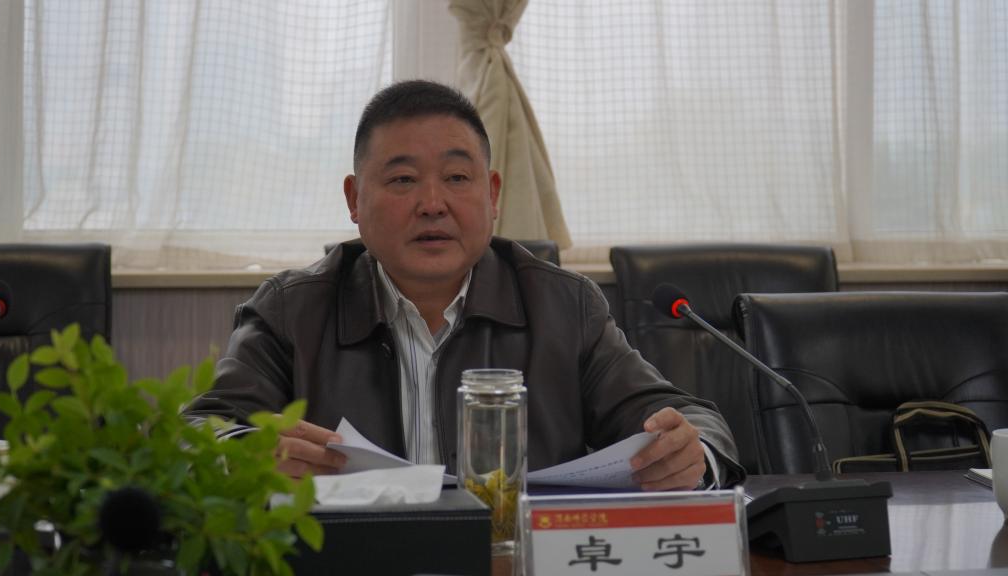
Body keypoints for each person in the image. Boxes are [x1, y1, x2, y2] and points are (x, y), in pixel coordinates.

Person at [187, 80, 745, 490]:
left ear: (493, 194)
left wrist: (691, 455)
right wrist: (247, 456)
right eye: (403, 179)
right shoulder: (291, 311)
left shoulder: (564, 306)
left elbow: (686, 419)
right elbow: (198, 433)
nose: (433, 203)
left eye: (457, 177)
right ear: (355, 200)